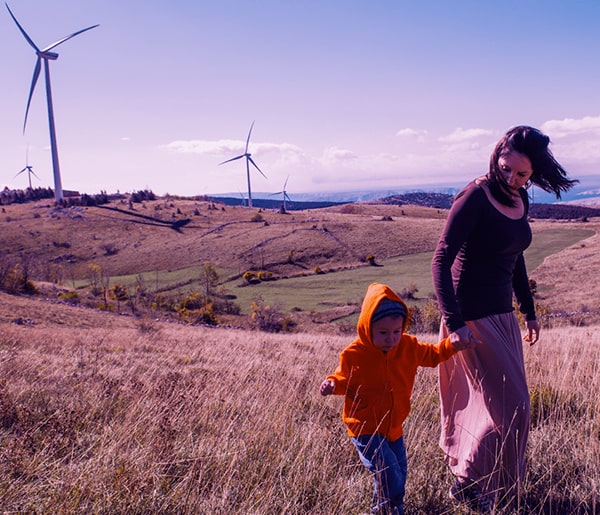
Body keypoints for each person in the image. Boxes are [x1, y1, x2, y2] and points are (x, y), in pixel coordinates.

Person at [431, 125, 578, 512]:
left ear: (532, 175)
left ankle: (473, 485)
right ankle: (477, 485)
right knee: (514, 407)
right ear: (497, 155)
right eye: (506, 168)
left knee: (501, 408)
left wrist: (528, 312)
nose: (511, 178)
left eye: (522, 174)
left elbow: (515, 258)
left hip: (502, 316)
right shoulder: (474, 196)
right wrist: (455, 322)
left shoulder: (519, 200)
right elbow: (441, 259)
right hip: (472, 318)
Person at [320, 282, 473, 515]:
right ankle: (390, 510)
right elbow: (344, 380)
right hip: (365, 427)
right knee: (389, 472)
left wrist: (450, 345)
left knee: (399, 472)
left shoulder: (408, 346)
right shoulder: (354, 354)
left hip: (394, 426)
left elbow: (432, 356)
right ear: (367, 327)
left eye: (396, 331)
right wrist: (332, 384)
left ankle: (386, 509)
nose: (391, 338)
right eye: (383, 333)